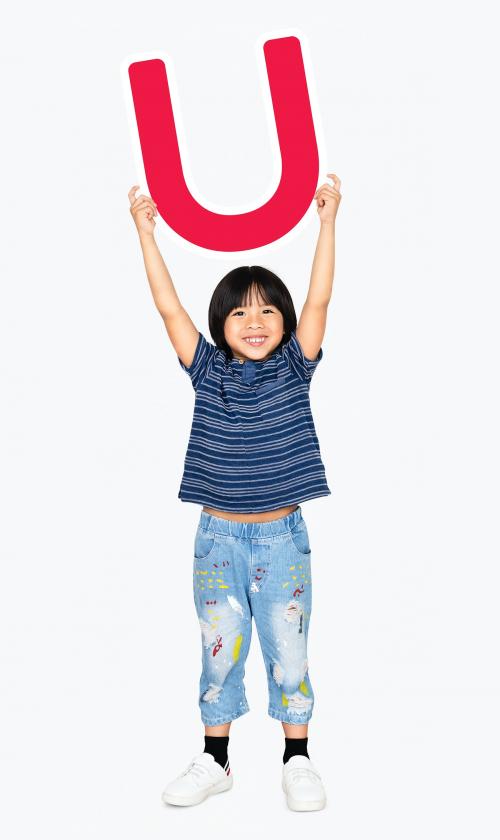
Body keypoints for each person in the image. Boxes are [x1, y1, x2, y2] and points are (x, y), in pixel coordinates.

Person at [128, 174, 342, 811]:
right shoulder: (207, 370)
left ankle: (297, 757)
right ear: (221, 325)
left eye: (268, 309)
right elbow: (170, 308)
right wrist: (147, 236)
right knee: (218, 649)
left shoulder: (294, 365)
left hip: (282, 540)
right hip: (218, 540)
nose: (256, 321)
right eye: (240, 311)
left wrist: (327, 224)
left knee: (290, 647)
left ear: (284, 323)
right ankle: (215, 758)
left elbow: (320, 301)